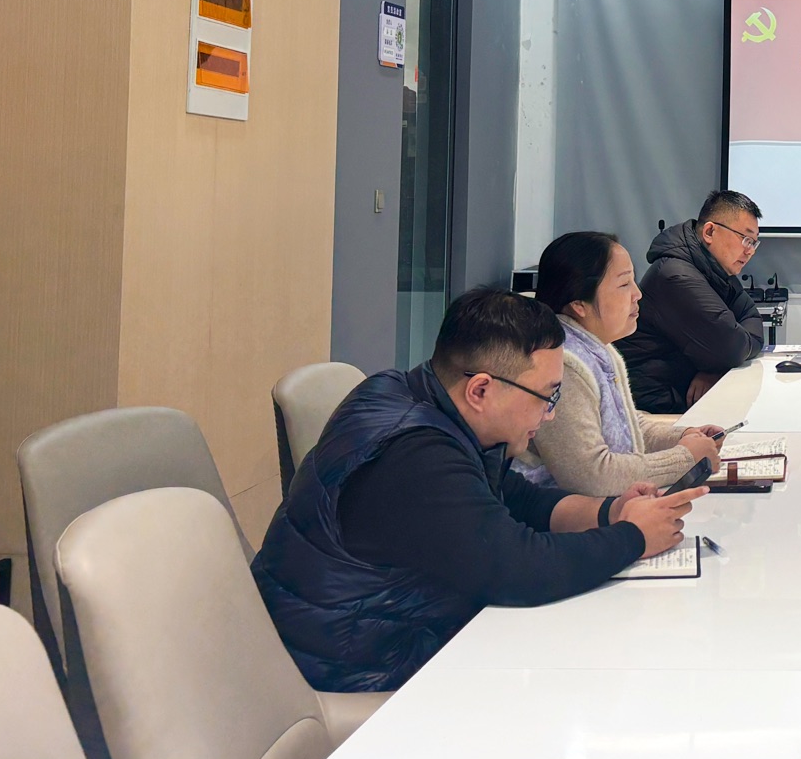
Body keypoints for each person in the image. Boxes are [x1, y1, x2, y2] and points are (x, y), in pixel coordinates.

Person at [253, 288, 704, 693]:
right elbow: (519, 569)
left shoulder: (414, 395)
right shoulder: (417, 455)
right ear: (480, 390)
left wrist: (610, 511)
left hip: (385, 624)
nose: (550, 414)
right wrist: (634, 537)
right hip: (364, 661)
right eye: (547, 396)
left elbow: (517, 498)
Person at [516, 230, 727, 494]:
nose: (637, 294)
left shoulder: (592, 346)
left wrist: (683, 437)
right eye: (624, 284)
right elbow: (592, 475)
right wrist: (684, 458)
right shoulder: (562, 362)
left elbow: (625, 423)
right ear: (579, 305)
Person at [622, 189, 767, 412]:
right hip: (661, 401)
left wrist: (714, 366)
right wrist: (719, 361)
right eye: (745, 239)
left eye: (754, 243)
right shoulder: (675, 276)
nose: (750, 251)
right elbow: (733, 349)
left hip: (686, 389)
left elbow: (751, 319)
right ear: (709, 232)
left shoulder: (715, 269)